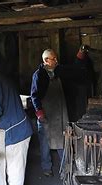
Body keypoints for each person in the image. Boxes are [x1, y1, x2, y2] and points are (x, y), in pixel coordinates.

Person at [30, 49, 69, 177]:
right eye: (54, 59)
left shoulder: (58, 72)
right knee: (45, 142)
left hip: (59, 113)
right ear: (46, 60)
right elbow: (34, 96)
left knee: (62, 140)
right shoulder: (39, 75)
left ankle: (65, 168)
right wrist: (40, 113)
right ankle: (46, 167)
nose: (56, 61)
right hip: (46, 113)